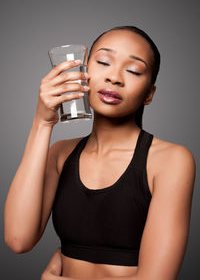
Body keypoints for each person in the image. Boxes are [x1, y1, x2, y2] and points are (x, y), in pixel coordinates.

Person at [4, 26, 196, 280]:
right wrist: (42, 123)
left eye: (133, 70)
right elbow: (19, 240)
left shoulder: (171, 160)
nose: (114, 77)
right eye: (104, 62)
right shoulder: (60, 154)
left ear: (149, 94)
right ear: (83, 73)